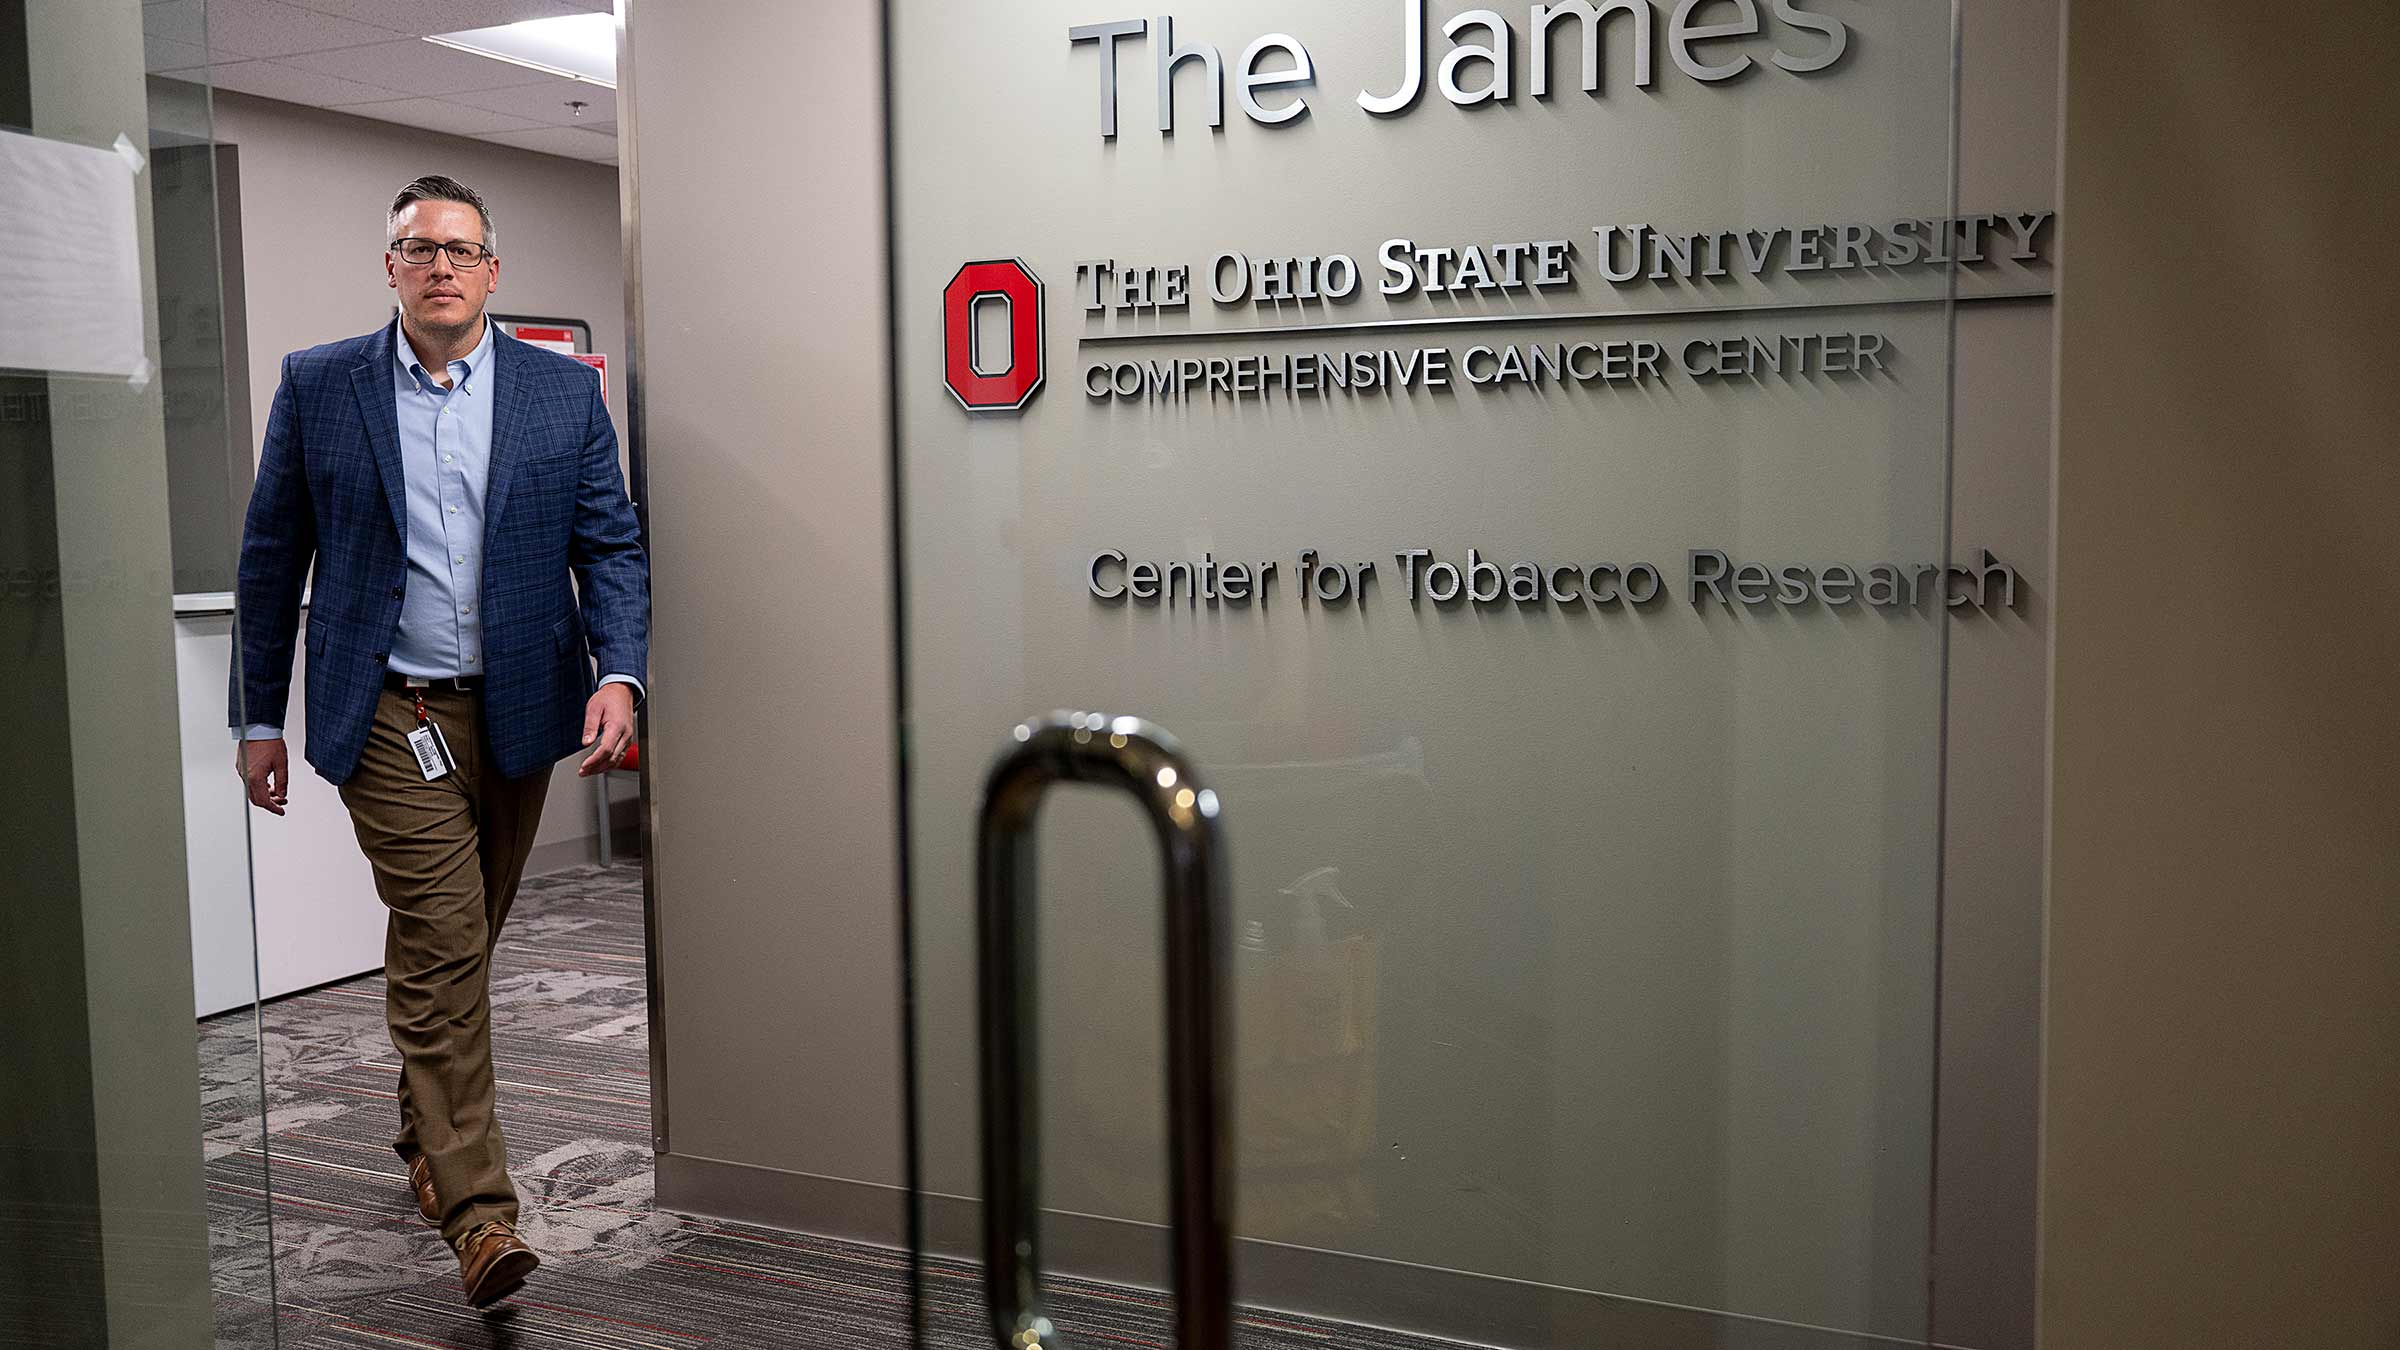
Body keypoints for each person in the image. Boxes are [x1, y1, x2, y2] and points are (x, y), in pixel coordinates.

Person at [230, 175, 648, 1309]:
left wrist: (620, 673)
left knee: (456, 944)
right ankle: (479, 1213)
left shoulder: (563, 396)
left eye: (461, 252)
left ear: (493, 271)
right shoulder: (323, 386)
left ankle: (422, 1129)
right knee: (446, 929)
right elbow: (273, 558)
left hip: (515, 707)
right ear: (392, 268)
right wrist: (260, 714)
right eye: (420, 251)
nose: (442, 269)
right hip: (387, 711)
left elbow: (609, 546)